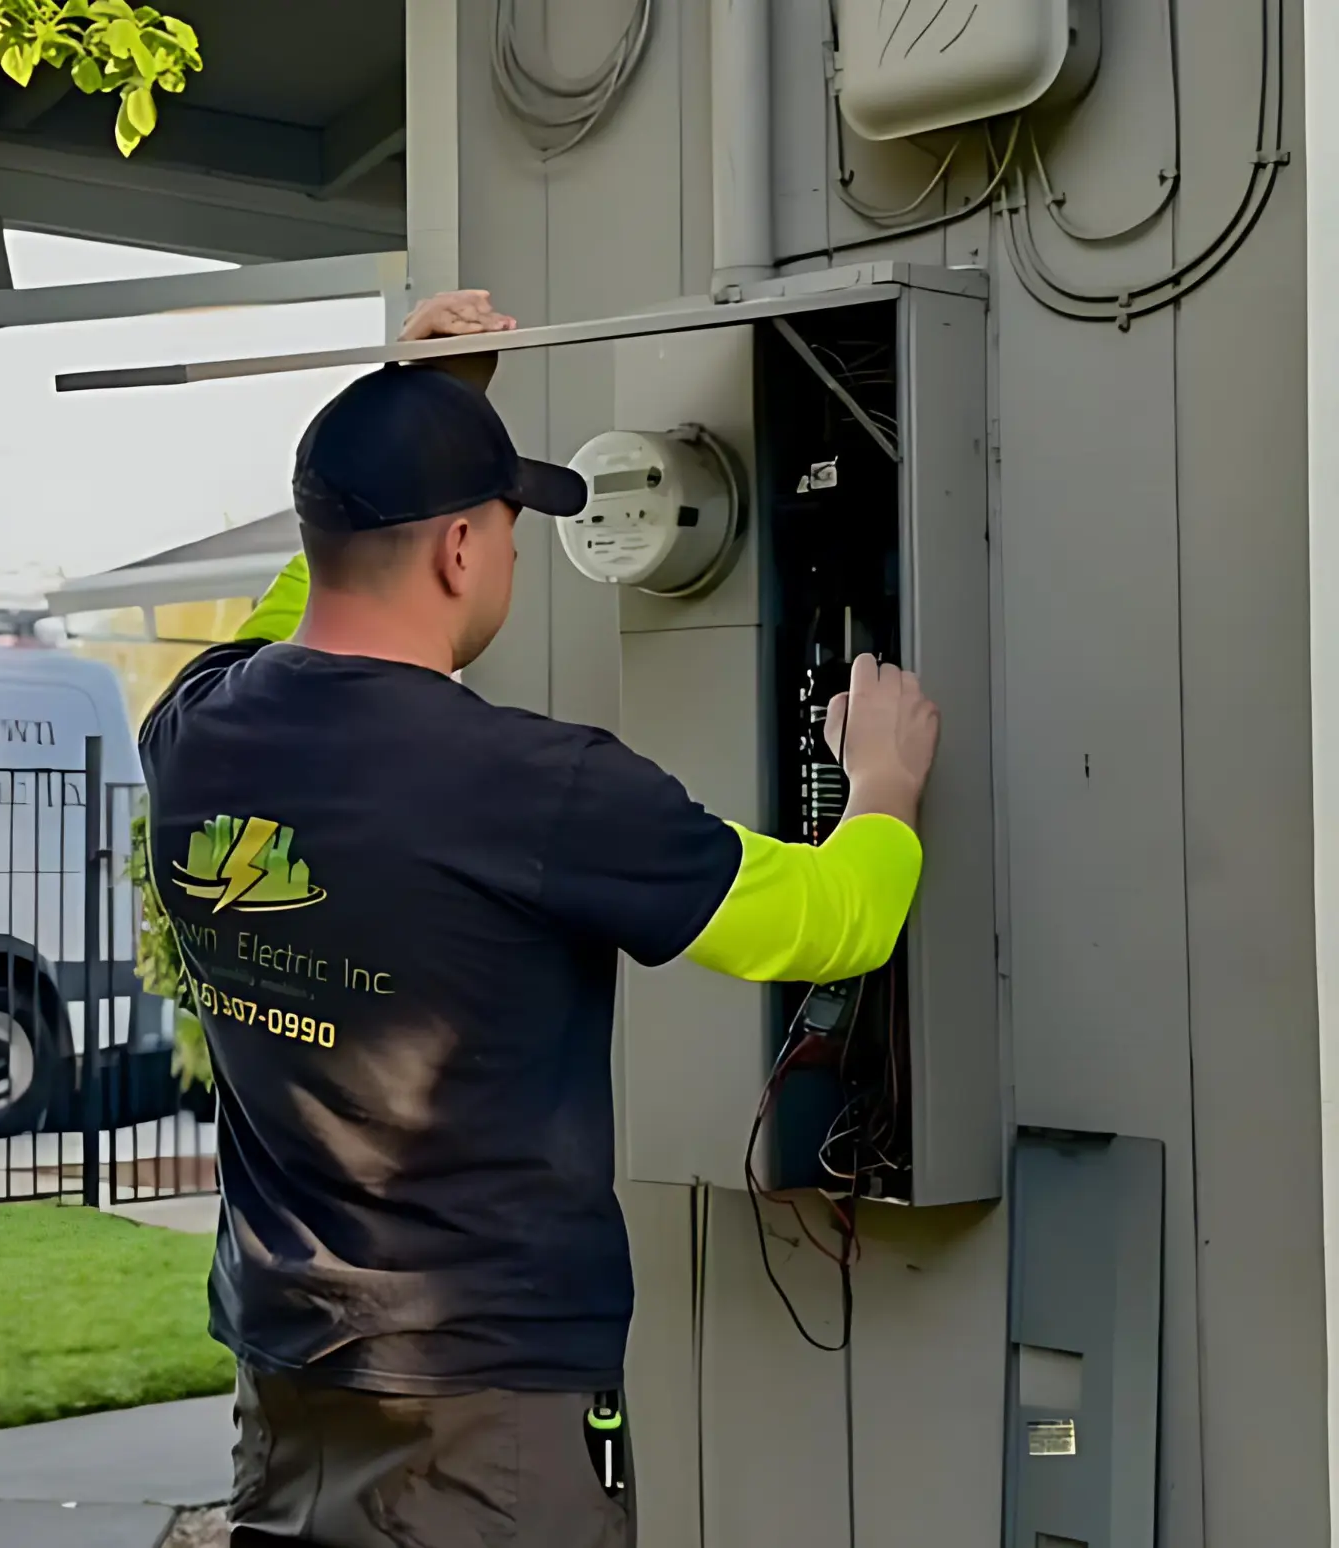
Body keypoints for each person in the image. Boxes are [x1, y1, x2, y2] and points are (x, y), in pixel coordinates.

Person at [138, 291, 940, 1547]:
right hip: (485, 1407)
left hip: (284, 1372)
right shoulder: (537, 787)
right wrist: (882, 789)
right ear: (462, 550)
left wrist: (420, 397)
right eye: (508, 530)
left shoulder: (193, 733)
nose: (509, 559)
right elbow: (827, 926)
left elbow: (289, 610)